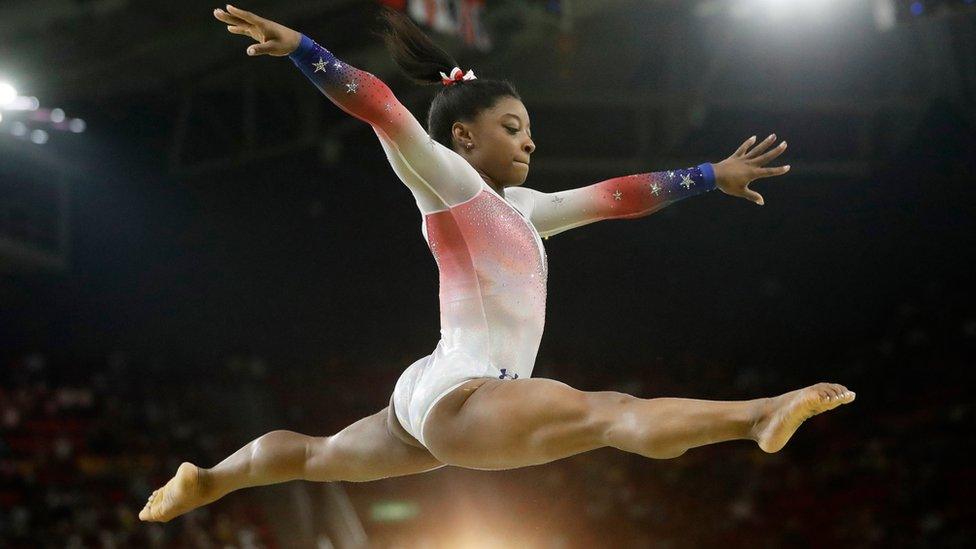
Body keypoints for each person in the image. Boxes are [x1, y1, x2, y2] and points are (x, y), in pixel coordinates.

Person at [139, 4, 855, 523]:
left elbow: (615, 196)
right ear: (461, 136)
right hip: (463, 394)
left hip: (434, 388)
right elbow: (383, 107)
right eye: (512, 128)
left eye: (531, 132)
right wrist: (305, 48)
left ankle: (208, 479)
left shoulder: (527, 211)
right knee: (609, 413)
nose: (530, 143)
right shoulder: (449, 181)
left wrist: (707, 174)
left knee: (316, 455)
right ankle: (757, 415)